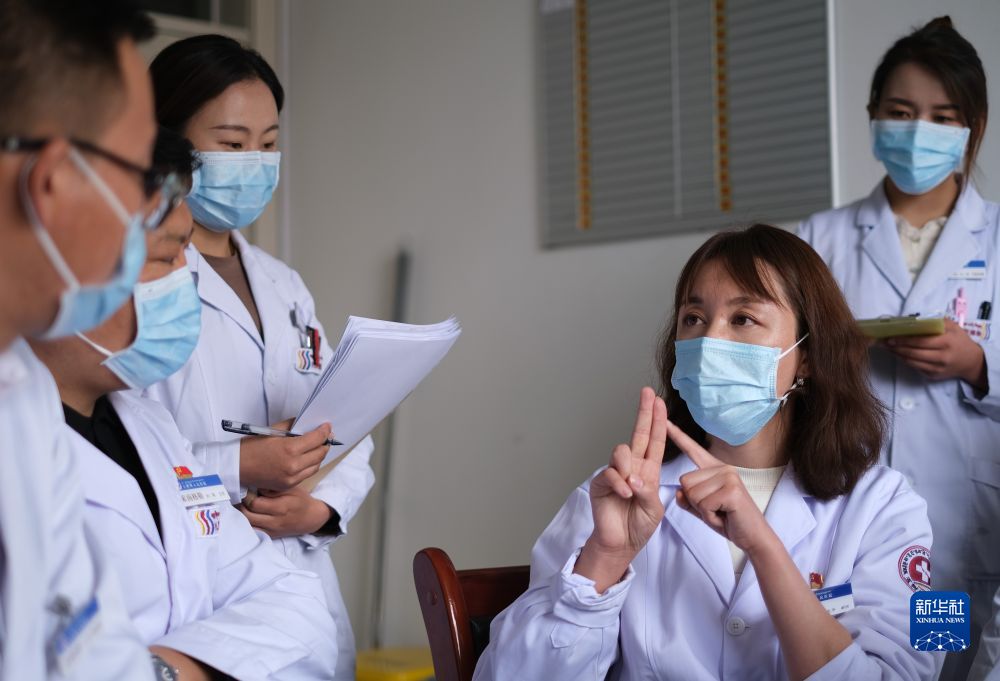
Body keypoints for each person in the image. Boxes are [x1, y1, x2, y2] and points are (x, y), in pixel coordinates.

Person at [474, 225, 936, 681]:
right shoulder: (613, 496)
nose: (709, 341)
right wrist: (604, 560)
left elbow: (904, 674)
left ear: (809, 355)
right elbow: (503, 675)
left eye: (743, 319)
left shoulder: (887, 506)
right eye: (693, 318)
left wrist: (764, 549)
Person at [29, 128, 340, 680]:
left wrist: (172, 669)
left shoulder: (148, 426)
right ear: (62, 268)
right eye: (166, 256)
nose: (185, 282)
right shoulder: (21, 451)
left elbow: (295, 600)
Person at [145, 34, 375, 679]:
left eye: (268, 144)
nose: (254, 162)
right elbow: (119, 448)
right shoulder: (139, 282)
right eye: (231, 143)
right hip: (197, 581)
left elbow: (346, 423)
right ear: (168, 142)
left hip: (300, 575)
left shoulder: (283, 284)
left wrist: (321, 510)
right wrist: (237, 465)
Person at [798, 17, 999, 677]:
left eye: (943, 117)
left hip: (957, 517)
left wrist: (979, 364)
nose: (919, 131)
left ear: (973, 127)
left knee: (945, 657)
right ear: (873, 116)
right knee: (847, 657)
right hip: (841, 503)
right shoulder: (819, 239)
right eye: (902, 112)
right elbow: (779, 366)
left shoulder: (997, 238)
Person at [0, 0, 185, 677]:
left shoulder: (22, 395)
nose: (146, 212)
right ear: (51, 181)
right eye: (140, 177)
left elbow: (90, 651)